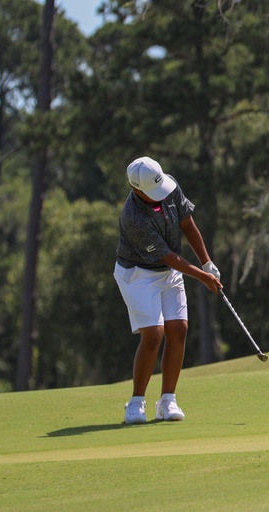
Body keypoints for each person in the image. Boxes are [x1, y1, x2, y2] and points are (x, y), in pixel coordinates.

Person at [114, 156, 223, 424]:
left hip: (170, 272)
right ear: (135, 189)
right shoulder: (133, 217)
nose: (158, 197)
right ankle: (136, 402)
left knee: (179, 329)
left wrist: (207, 262)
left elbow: (188, 225)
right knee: (153, 335)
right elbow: (167, 256)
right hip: (138, 274)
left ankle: (167, 401)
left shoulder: (170, 188)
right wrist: (202, 277)